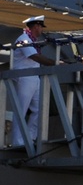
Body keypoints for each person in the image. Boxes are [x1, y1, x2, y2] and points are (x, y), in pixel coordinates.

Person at [10, 15, 55, 147]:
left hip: (34, 76)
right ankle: (17, 142)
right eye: (41, 27)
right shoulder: (23, 39)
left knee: (40, 108)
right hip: (24, 77)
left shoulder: (32, 40)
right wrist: (55, 62)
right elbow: (35, 57)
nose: (42, 30)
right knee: (21, 109)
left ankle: (29, 137)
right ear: (36, 26)